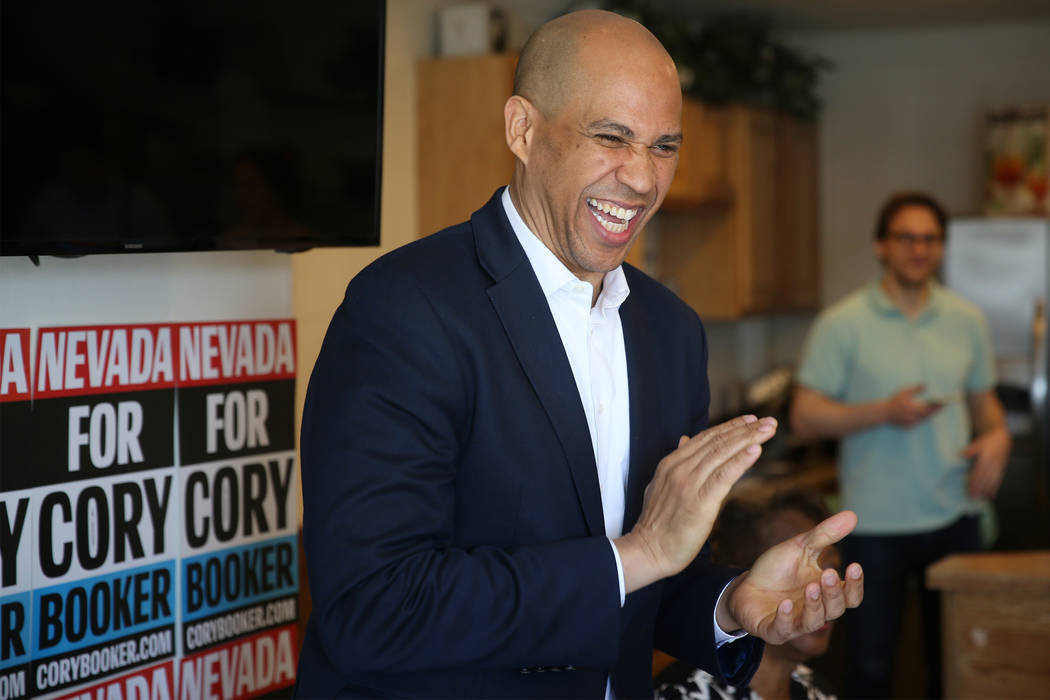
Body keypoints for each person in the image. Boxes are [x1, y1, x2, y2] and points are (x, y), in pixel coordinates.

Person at [296, 10, 863, 699]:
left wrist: (733, 606)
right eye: (611, 137)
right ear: (522, 130)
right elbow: (374, 607)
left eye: (664, 147)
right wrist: (639, 554)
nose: (642, 178)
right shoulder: (405, 309)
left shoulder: (671, 331)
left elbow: (647, 577)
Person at [790, 191, 1011, 699]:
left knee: (962, 663)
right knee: (870, 668)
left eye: (931, 239)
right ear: (881, 247)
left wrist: (997, 434)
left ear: (941, 248)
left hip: (957, 516)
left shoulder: (966, 319)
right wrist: (883, 412)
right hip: (875, 525)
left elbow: (985, 403)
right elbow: (804, 416)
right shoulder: (843, 323)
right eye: (906, 238)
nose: (919, 249)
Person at [655, 490, 841, 700]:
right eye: (795, 576)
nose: (823, 591)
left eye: (830, 569)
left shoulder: (816, 689)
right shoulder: (687, 693)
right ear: (739, 579)